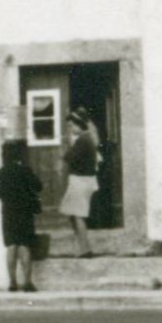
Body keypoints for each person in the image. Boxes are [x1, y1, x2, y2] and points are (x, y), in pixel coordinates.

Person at [0, 140, 43, 293]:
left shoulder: (1, 172)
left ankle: (12, 282)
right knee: (25, 246)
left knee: (11, 246)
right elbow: (38, 186)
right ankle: (28, 282)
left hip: (8, 212)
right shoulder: (25, 170)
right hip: (25, 212)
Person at [60, 108, 101, 258]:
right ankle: (81, 246)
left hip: (81, 181)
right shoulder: (85, 139)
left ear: (80, 125)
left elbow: (68, 157)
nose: (70, 129)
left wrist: (69, 145)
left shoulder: (83, 140)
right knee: (73, 214)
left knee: (77, 215)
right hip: (81, 180)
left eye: (72, 126)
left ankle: (86, 249)